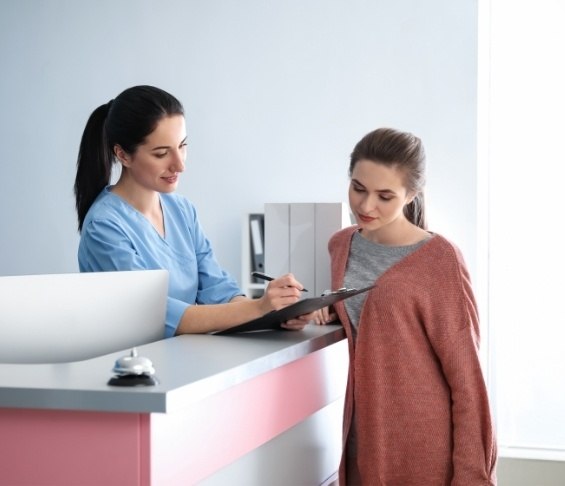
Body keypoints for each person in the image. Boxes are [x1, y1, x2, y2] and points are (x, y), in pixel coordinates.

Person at [320, 127, 497, 484]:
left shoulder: (440, 260)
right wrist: (318, 311)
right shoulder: (340, 245)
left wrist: (472, 476)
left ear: (411, 194)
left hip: (422, 449)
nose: (366, 206)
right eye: (358, 188)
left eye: (385, 196)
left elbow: (467, 380)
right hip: (361, 439)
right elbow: (372, 324)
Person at [74, 85, 315, 337]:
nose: (180, 165)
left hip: (183, 360)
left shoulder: (182, 210)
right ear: (123, 155)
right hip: (133, 368)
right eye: (161, 153)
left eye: (182, 146)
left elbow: (218, 290)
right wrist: (259, 307)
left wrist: (278, 312)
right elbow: (158, 316)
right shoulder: (104, 226)